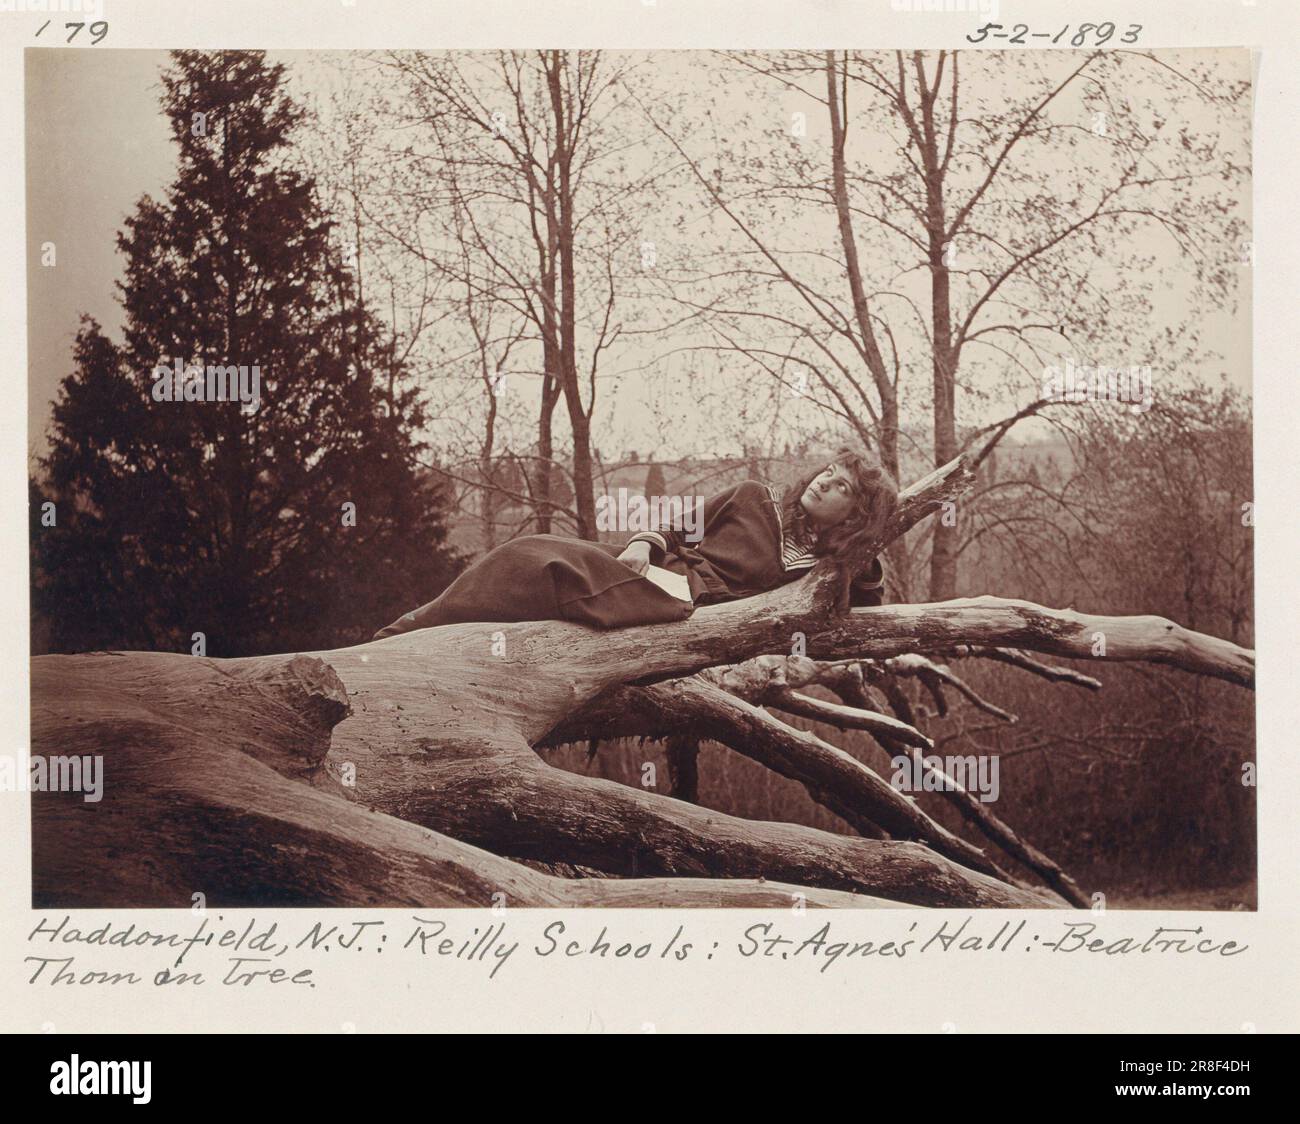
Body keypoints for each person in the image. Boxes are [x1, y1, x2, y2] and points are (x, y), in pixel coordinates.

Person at [371, 447, 898, 640]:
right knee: (532, 554)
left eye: (842, 487)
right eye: (827, 471)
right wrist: (644, 544)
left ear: (854, 515)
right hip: (658, 569)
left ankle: (413, 629)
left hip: (682, 603)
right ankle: (406, 630)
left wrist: (865, 549)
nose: (824, 481)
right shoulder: (751, 496)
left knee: (550, 570)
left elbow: (868, 603)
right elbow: (674, 526)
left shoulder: (819, 569)